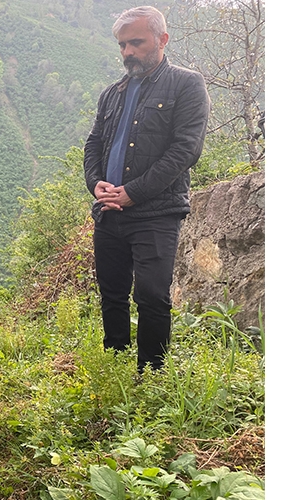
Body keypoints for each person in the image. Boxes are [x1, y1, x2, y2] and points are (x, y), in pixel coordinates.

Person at [83, 6, 210, 372]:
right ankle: (117, 368)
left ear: (162, 39)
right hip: (108, 211)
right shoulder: (112, 94)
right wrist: (97, 186)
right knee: (112, 295)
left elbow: (185, 150)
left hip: (156, 213)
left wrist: (132, 192)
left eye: (135, 43)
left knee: (153, 296)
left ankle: (151, 376)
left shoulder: (186, 84)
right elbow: (93, 145)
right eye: (122, 45)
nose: (127, 52)